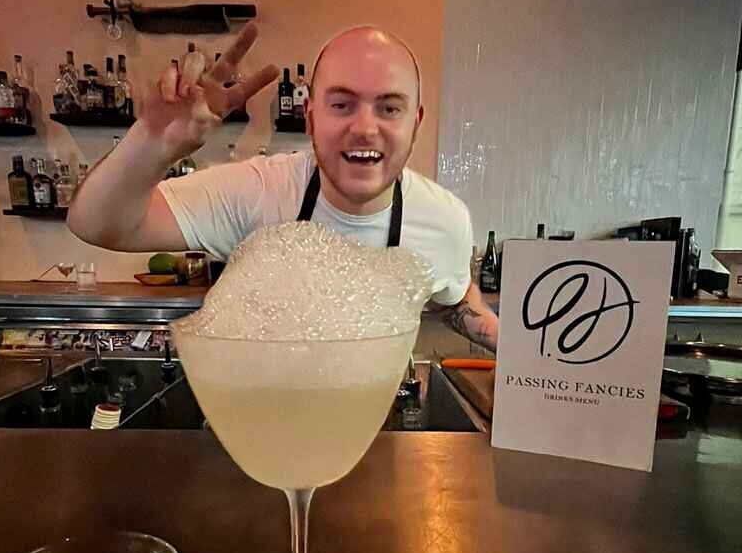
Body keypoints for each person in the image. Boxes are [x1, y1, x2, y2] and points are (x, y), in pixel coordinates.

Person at [67, 24, 499, 350]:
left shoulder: (447, 220)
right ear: (310, 116)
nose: (365, 128)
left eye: (389, 108)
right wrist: (153, 141)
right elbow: (97, 225)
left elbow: (455, 298)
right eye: (341, 105)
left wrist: (537, 356)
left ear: (415, 123)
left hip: (372, 432)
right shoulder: (257, 190)